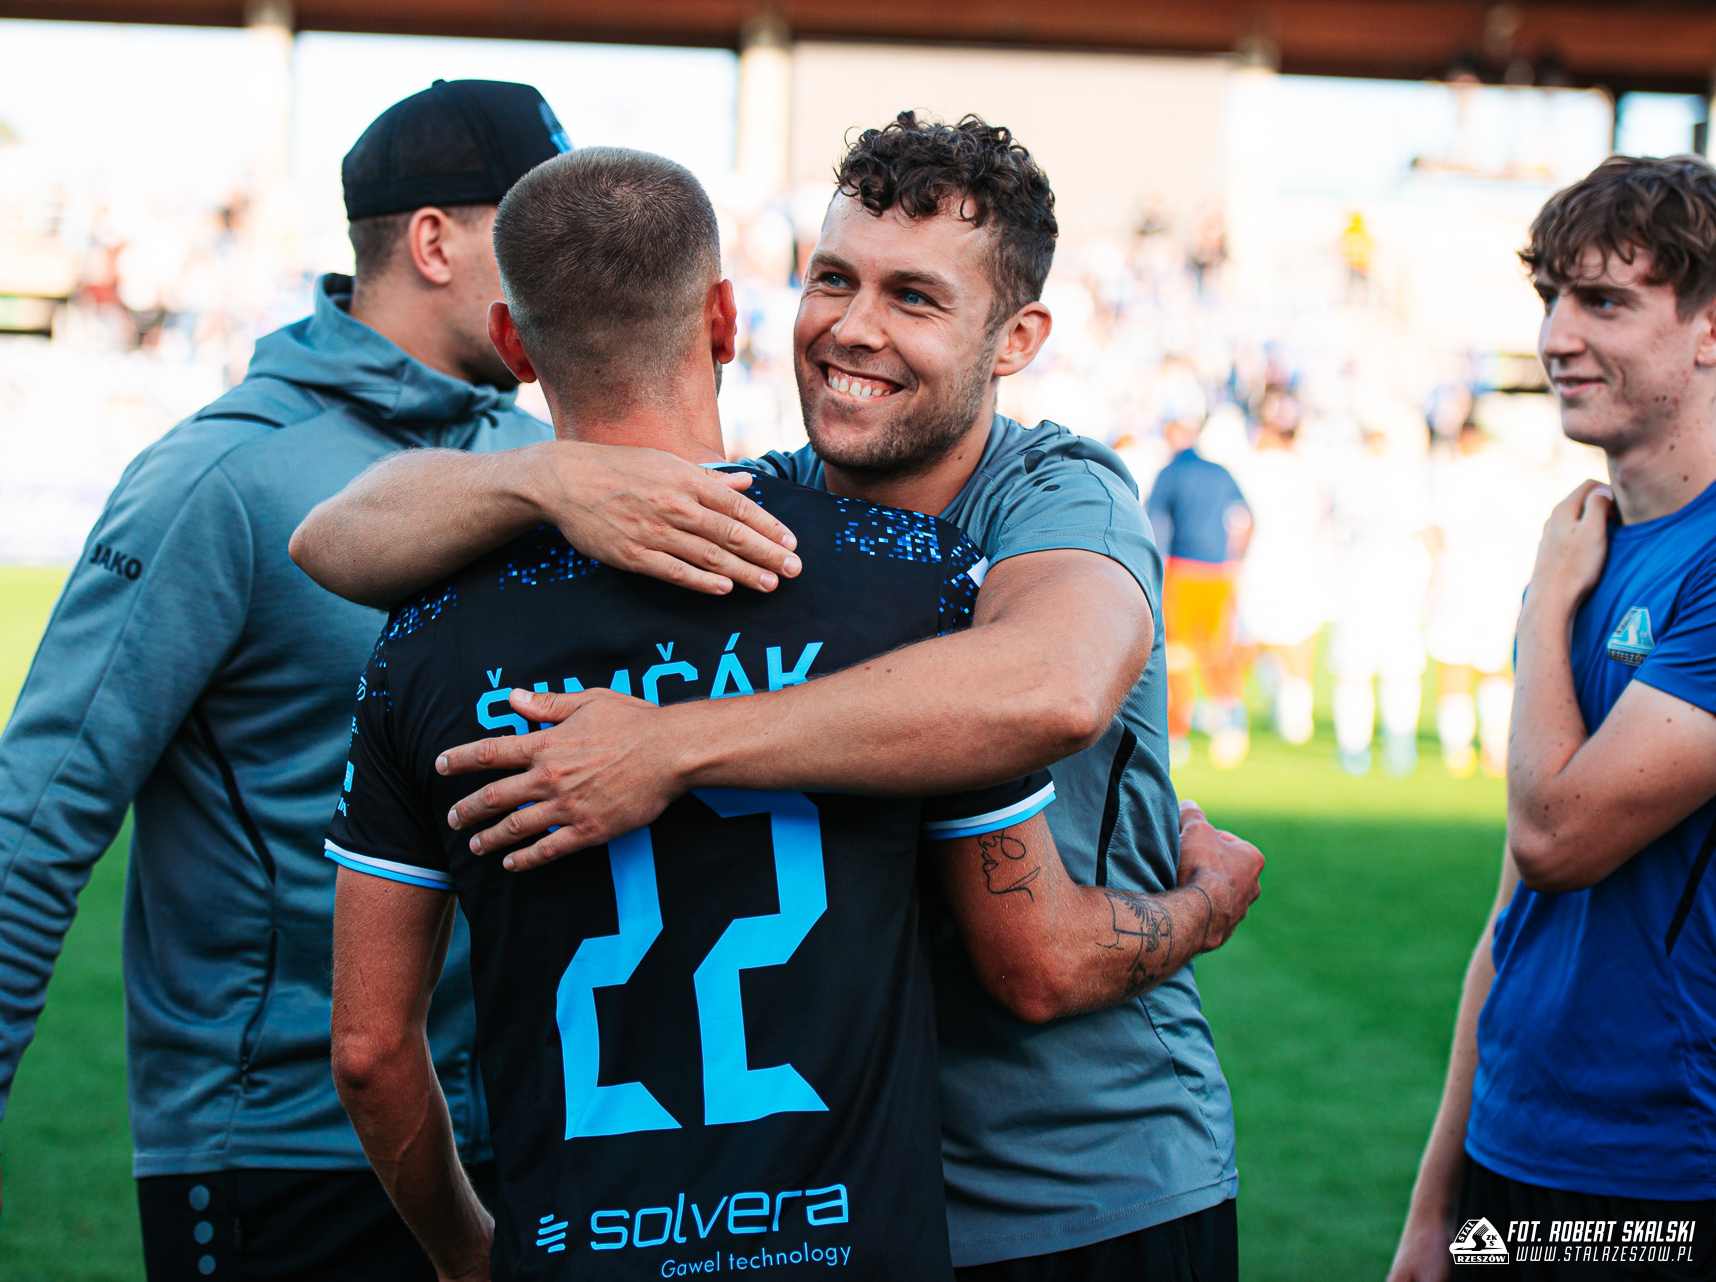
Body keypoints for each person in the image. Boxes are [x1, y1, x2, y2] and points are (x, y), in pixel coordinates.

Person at [294, 112, 1254, 1282]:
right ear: (737, 313)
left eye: (914, 297)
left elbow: (1050, 686)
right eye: (832, 278)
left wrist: (672, 745)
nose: (854, 326)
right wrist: (545, 477)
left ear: (1017, 339)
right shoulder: (782, 519)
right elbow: (329, 540)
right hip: (877, 1193)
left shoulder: (1059, 494)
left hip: (1087, 1177)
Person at [0, 80, 572, 1282]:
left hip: (521, 1137)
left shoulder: (545, 460)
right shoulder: (221, 478)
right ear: (433, 242)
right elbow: (42, 809)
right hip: (283, 1156)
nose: (569, 274)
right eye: (537, 236)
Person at [1389, 154, 1716, 1282]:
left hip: (1667, 1177)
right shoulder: (1583, 550)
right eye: (1552, 297)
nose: (1556, 336)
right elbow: (1513, 909)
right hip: (1513, 1146)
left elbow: (1556, 837)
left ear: (1711, 329)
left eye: (1605, 302)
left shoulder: (1613, 566)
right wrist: (1436, 1207)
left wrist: (1544, 611)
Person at [1425, 416, 1537, 778]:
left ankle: (1457, 750)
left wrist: (1432, 581)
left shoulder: (1451, 474)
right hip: (1500, 586)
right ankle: (1496, 748)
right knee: (1495, 669)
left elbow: (1435, 533)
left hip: (1458, 583)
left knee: (1453, 667)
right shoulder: (1511, 476)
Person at [1145, 414, 1252, 769]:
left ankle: (1177, 731)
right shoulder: (1220, 472)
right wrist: (1236, 557)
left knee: (1178, 653)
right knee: (1216, 649)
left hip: (1182, 570)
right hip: (1218, 572)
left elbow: (1152, 521)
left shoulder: (1171, 472)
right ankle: (1231, 723)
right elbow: (1247, 517)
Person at [1328, 417, 1432, 776]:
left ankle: (1356, 750)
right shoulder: (1405, 477)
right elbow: (1426, 533)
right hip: (1391, 586)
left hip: (1366, 586)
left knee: (1359, 673)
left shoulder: (1349, 476)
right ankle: (1396, 748)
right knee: (1394, 673)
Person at [1233, 387, 1329, 746]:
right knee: (1295, 642)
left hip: (1258, 564)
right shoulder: (1306, 469)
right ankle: (1295, 719)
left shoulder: (1248, 467)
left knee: (1246, 641)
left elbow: (1236, 524)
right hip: (1296, 564)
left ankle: (1232, 715)